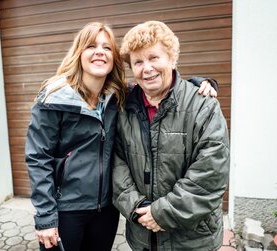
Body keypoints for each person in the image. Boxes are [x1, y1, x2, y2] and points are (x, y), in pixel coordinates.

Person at [25, 22, 218, 251]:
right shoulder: (54, 99)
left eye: (107, 47)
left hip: (106, 210)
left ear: (113, 59)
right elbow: (38, 158)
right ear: (79, 53)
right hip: (67, 209)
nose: (99, 51)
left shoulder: (119, 97)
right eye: (91, 46)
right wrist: (46, 216)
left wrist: (199, 82)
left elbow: (165, 84)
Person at [112, 21, 230, 251]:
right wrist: (137, 207)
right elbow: (116, 164)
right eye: (138, 62)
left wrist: (161, 213)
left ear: (172, 59)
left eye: (154, 58)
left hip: (193, 239)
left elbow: (211, 173)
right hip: (143, 236)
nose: (146, 68)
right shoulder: (124, 109)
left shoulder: (203, 106)